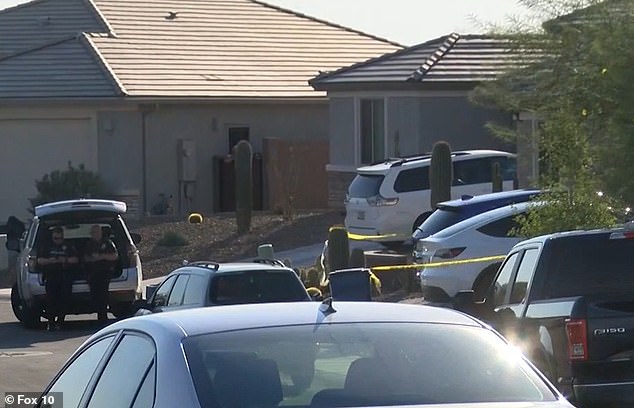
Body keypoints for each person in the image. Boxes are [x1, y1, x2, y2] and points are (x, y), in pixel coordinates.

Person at [37, 226, 78, 331]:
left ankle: (60, 321)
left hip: (65, 276)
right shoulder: (47, 247)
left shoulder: (68, 246)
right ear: (52, 237)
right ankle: (51, 322)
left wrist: (64, 260)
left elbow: (75, 259)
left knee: (64, 299)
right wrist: (51, 261)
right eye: (56, 238)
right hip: (51, 276)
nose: (58, 240)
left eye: (60, 238)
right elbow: (39, 260)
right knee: (50, 300)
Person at [83, 224, 118, 324]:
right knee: (95, 296)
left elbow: (115, 256)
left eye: (98, 232)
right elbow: (85, 258)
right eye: (94, 232)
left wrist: (101, 257)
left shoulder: (108, 243)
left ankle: (103, 318)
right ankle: (98, 314)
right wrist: (93, 259)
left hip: (105, 273)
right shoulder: (88, 244)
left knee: (103, 295)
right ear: (91, 234)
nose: (97, 234)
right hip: (92, 274)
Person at [5, 216, 25, 286]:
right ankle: (14, 281)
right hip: (18, 248)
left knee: (12, 267)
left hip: (11, 249)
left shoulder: (10, 231)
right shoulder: (20, 227)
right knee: (16, 267)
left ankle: (11, 282)